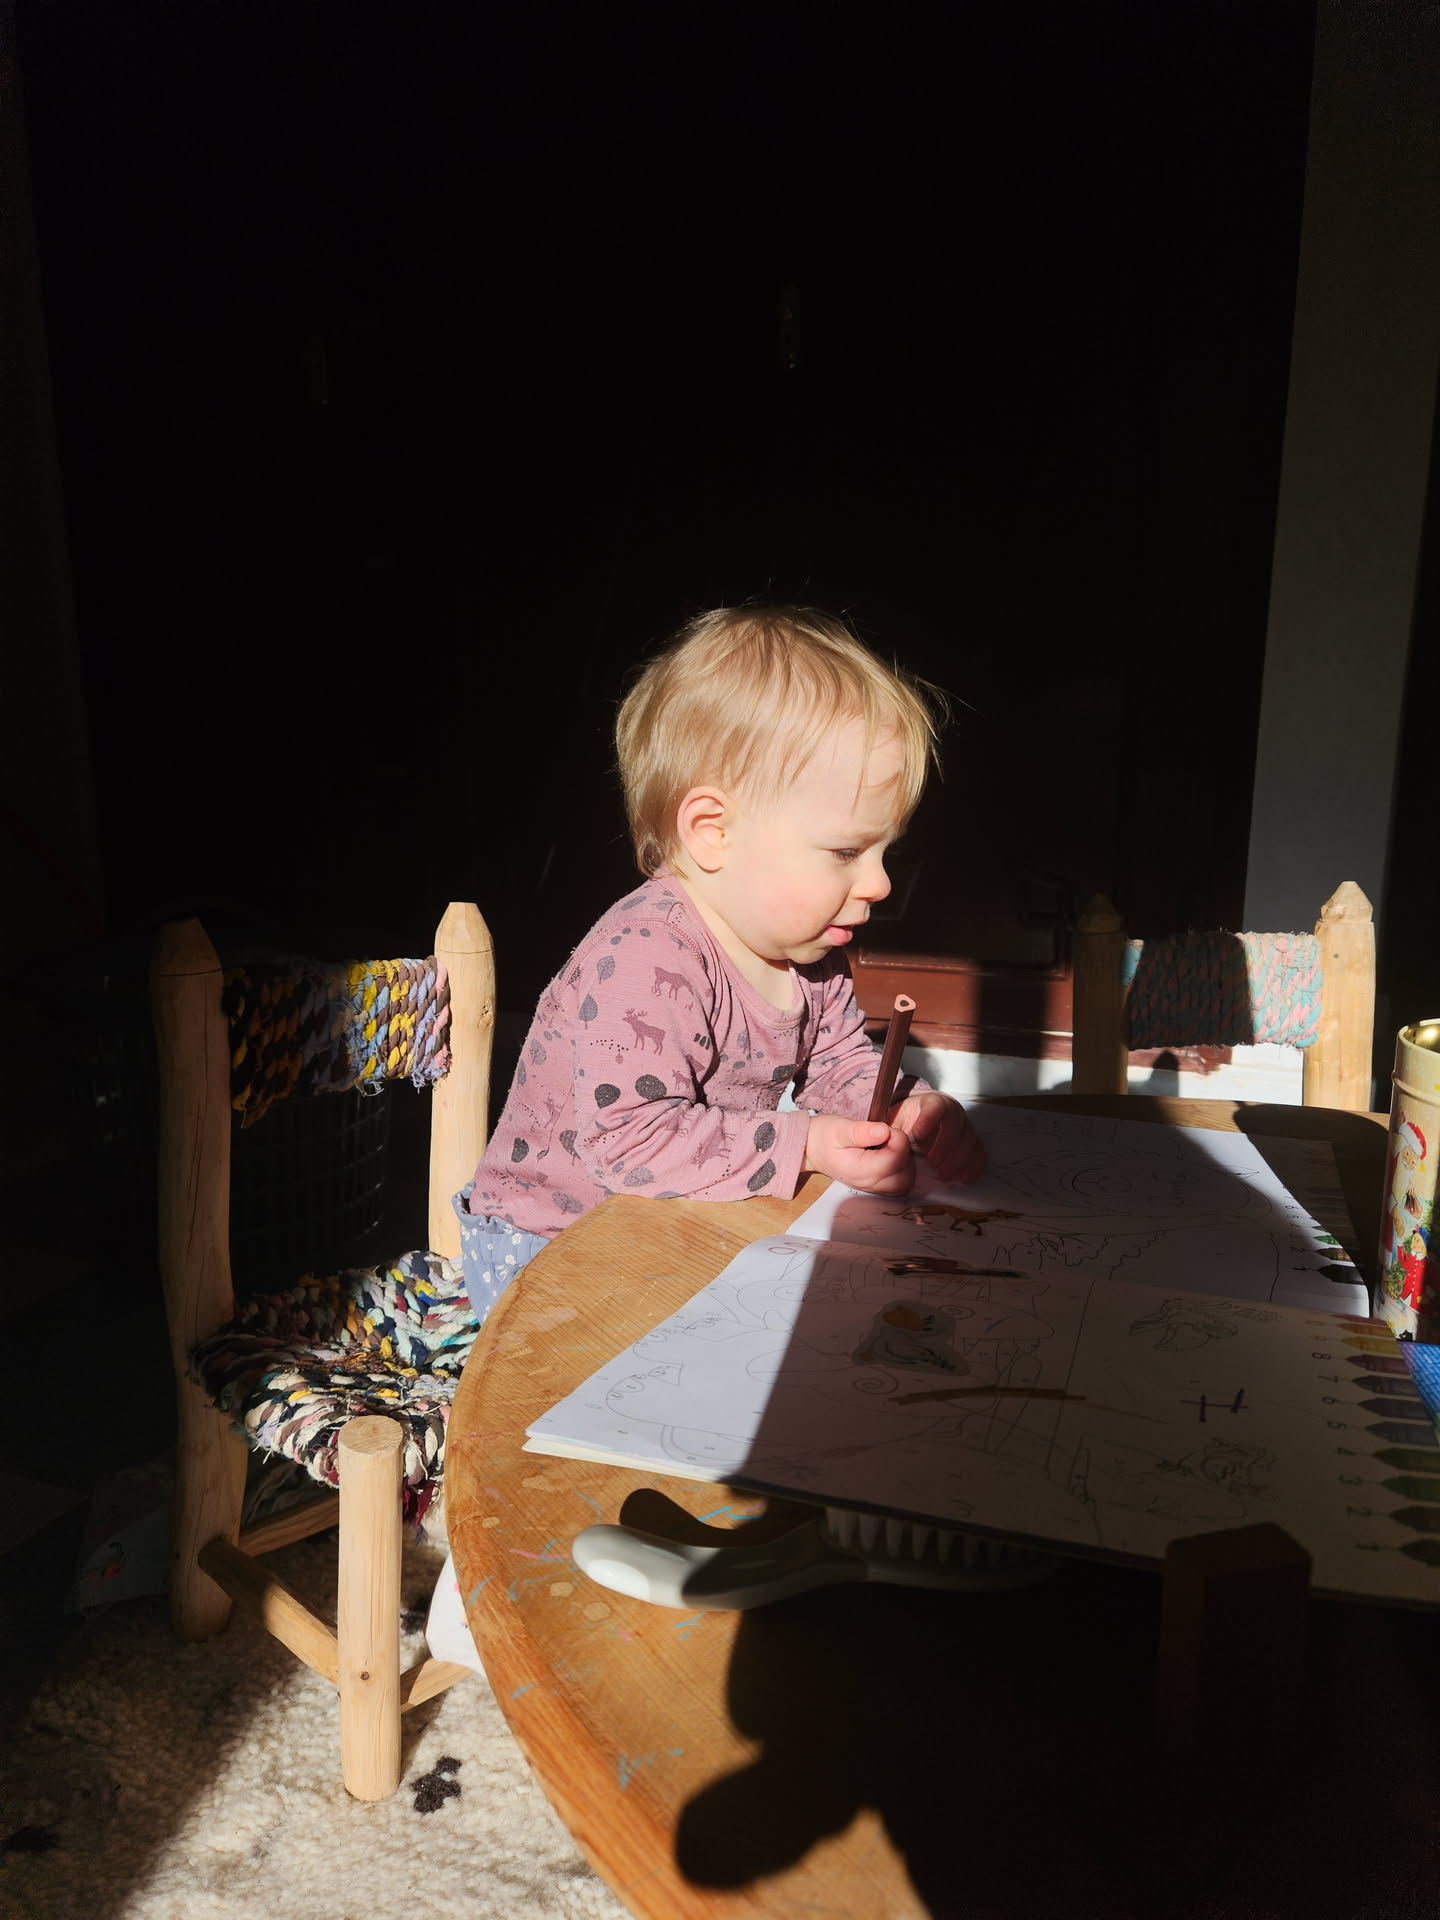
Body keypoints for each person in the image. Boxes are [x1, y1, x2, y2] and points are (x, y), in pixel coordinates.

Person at [451, 603, 985, 1326]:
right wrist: (808, 1142)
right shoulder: (646, 953)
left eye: (885, 851)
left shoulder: (812, 956)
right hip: (549, 1249)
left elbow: (839, 1068)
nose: (880, 883)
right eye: (845, 851)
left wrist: (901, 1110)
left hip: (668, 1223)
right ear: (713, 832)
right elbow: (628, 1140)